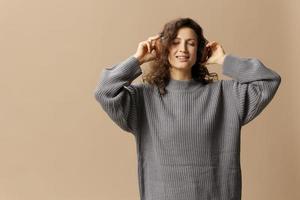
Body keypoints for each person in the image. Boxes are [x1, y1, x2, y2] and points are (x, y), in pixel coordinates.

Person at [93, 17, 281, 200]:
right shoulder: (144, 98)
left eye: (190, 43)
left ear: (199, 50)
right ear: (164, 48)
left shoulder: (226, 95)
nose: (182, 49)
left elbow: (269, 80)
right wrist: (137, 59)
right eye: (175, 42)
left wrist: (224, 60)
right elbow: (105, 91)